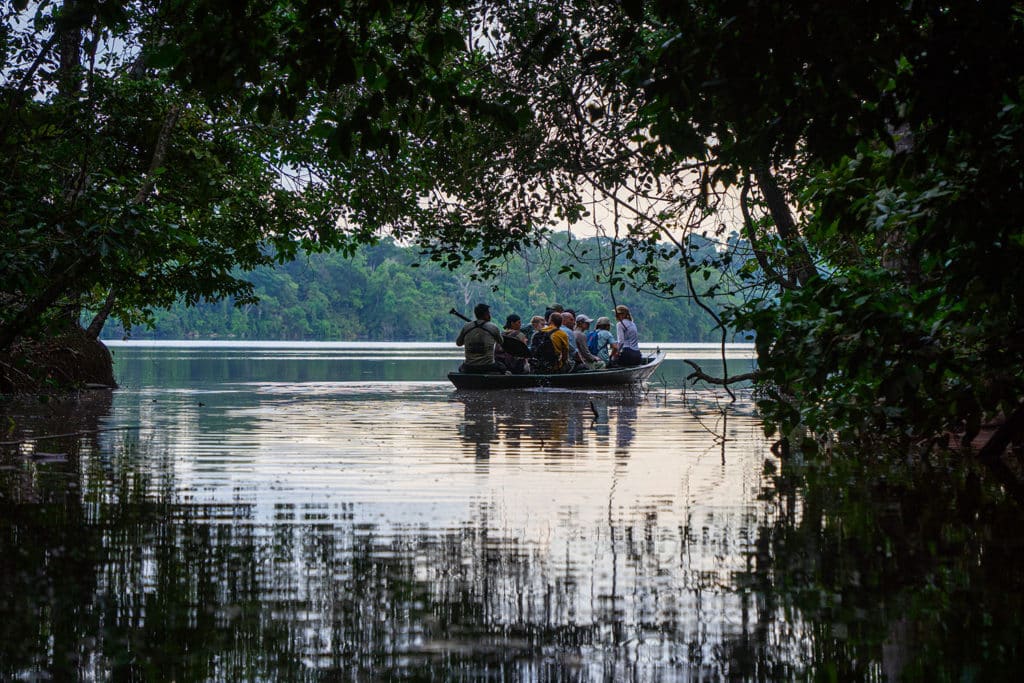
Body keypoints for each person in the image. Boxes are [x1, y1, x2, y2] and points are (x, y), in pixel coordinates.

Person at [455, 303, 506, 373]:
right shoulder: (493, 327)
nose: (490, 315)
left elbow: (458, 343)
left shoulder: (466, 327)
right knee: (502, 367)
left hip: (469, 366)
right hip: (488, 366)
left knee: (461, 368)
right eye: (489, 313)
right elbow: (501, 342)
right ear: (486, 314)